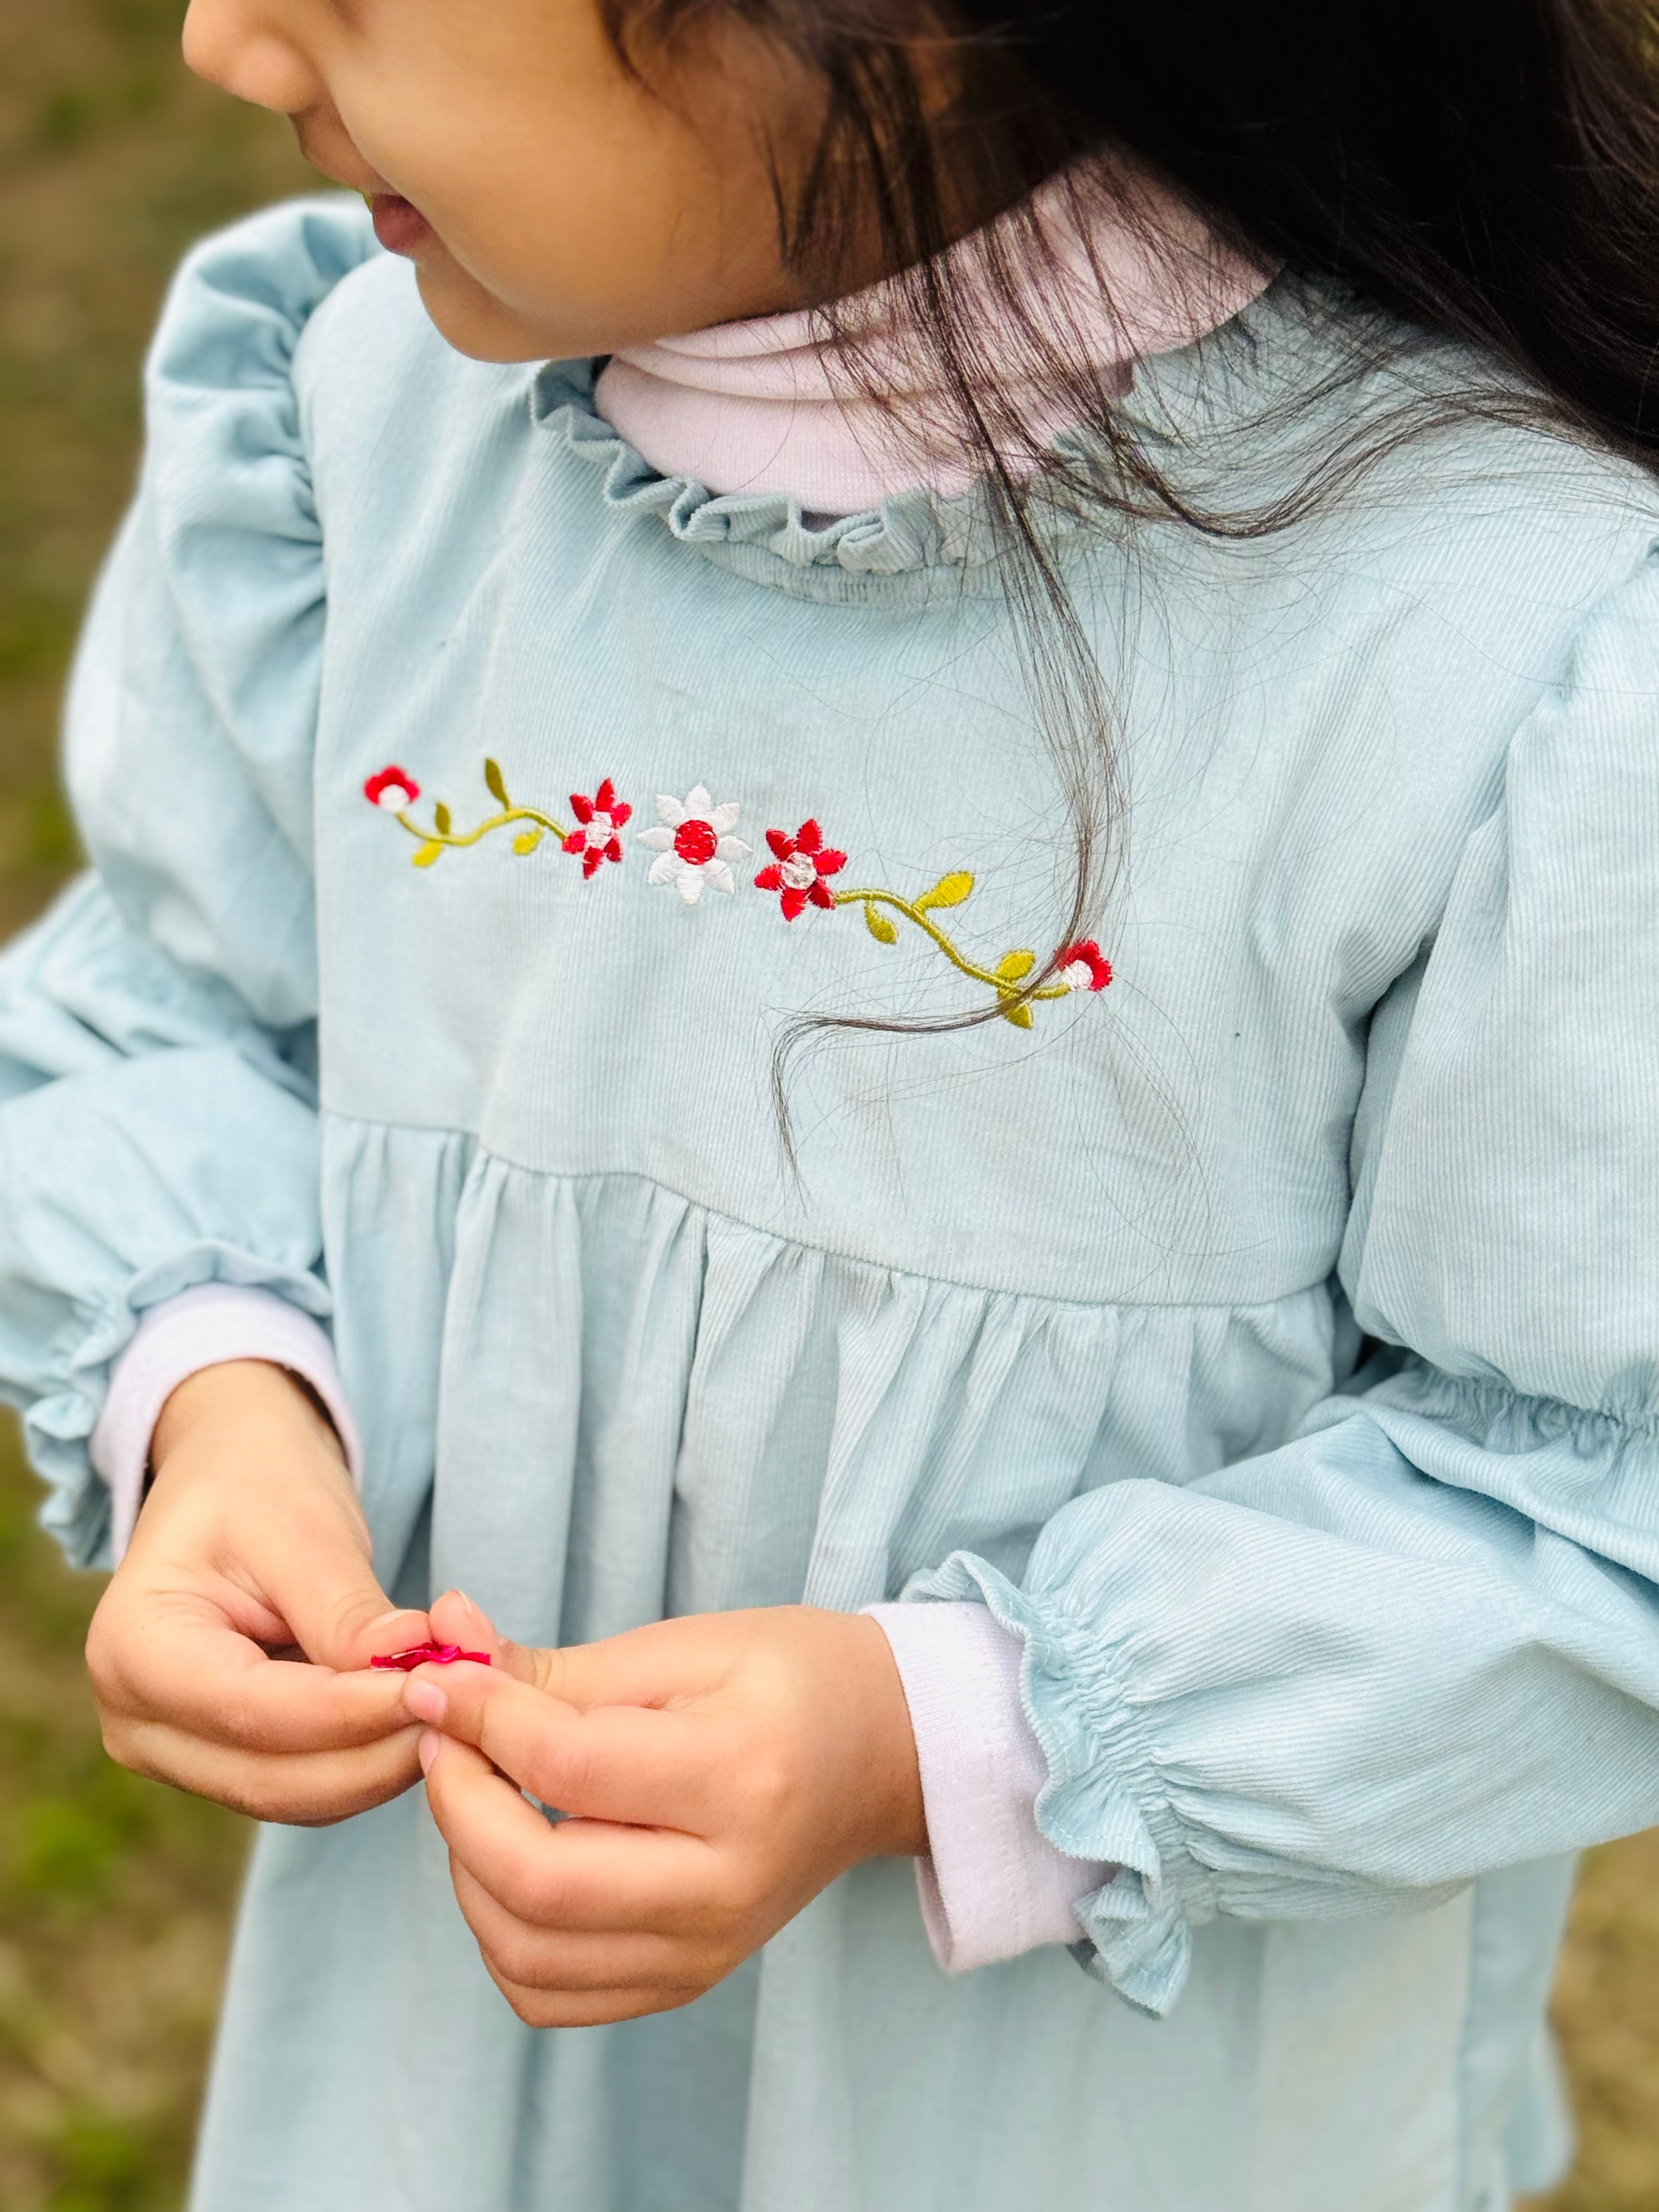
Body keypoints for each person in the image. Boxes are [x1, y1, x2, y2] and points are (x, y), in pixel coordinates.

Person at [5, 0, 1659, 2203]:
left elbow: (1596, 1490)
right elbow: (177, 1007)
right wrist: (219, 1404)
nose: (221, 40)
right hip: (454, 2086)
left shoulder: (1501, 634)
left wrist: (950, 1732)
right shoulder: (356, 430)